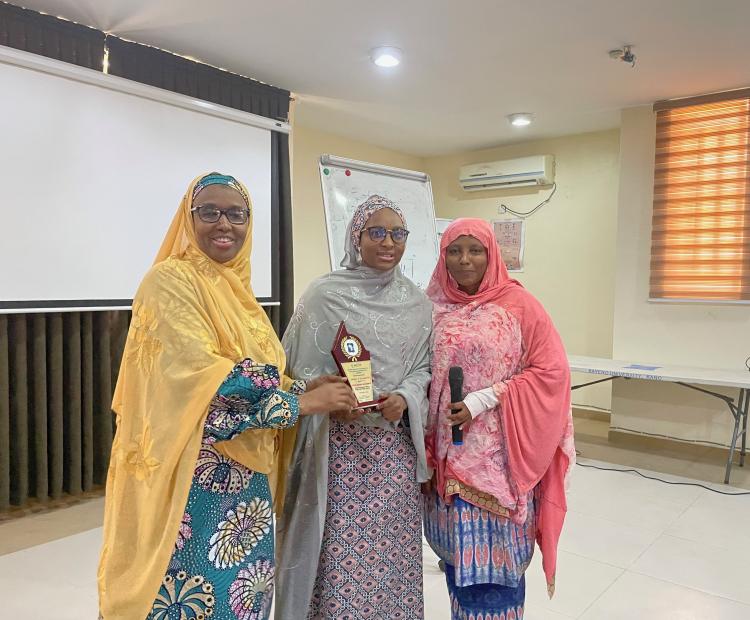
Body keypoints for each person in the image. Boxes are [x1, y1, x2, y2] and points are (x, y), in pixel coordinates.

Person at [97, 172, 356, 620]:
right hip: (190, 478)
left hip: (246, 483)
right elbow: (204, 383)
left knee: (241, 599)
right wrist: (299, 403)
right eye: (210, 212)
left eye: (237, 214)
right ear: (188, 217)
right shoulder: (169, 281)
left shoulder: (236, 291)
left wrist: (298, 387)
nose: (225, 224)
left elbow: (258, 372)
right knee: (189, 598)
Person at [276, 195, 433, 619]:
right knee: (337, 552)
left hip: (392, 456)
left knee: (391, 557)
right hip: (338, 454)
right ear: (355, 237)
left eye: (398, 234)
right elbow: (290, 371)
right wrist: (326, 399)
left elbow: (423, 369)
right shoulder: (324, 294)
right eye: (376, 232)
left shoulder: (417, 303)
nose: (388, 243)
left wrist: (405, 398)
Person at [423, 218, 575, 619]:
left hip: (497, 462)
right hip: (445, 458)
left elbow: (552, 370)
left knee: (496, 570)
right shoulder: (432, 304)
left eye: (475, 250)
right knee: (459, 562)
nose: (464, 260)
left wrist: (483, 399)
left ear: (492, 255)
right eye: (454, 251)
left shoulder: (520, 305)